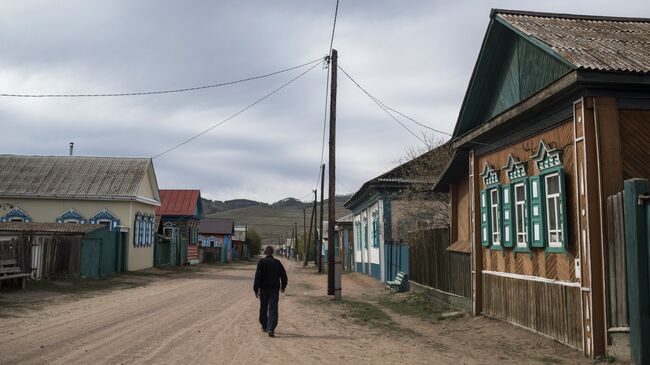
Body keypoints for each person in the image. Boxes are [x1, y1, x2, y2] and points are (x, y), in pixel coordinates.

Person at [253, 245, 288, 337]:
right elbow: (284, 276)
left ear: (265, 252)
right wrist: (283, 286)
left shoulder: (261, 262)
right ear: (272, 252)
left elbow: (257, 277)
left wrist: (256, 289)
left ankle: (264, 326)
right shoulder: (277, 262)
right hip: (274, 290)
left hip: (264, 289)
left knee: (263, 307)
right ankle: (271, 328)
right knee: (273, 309)